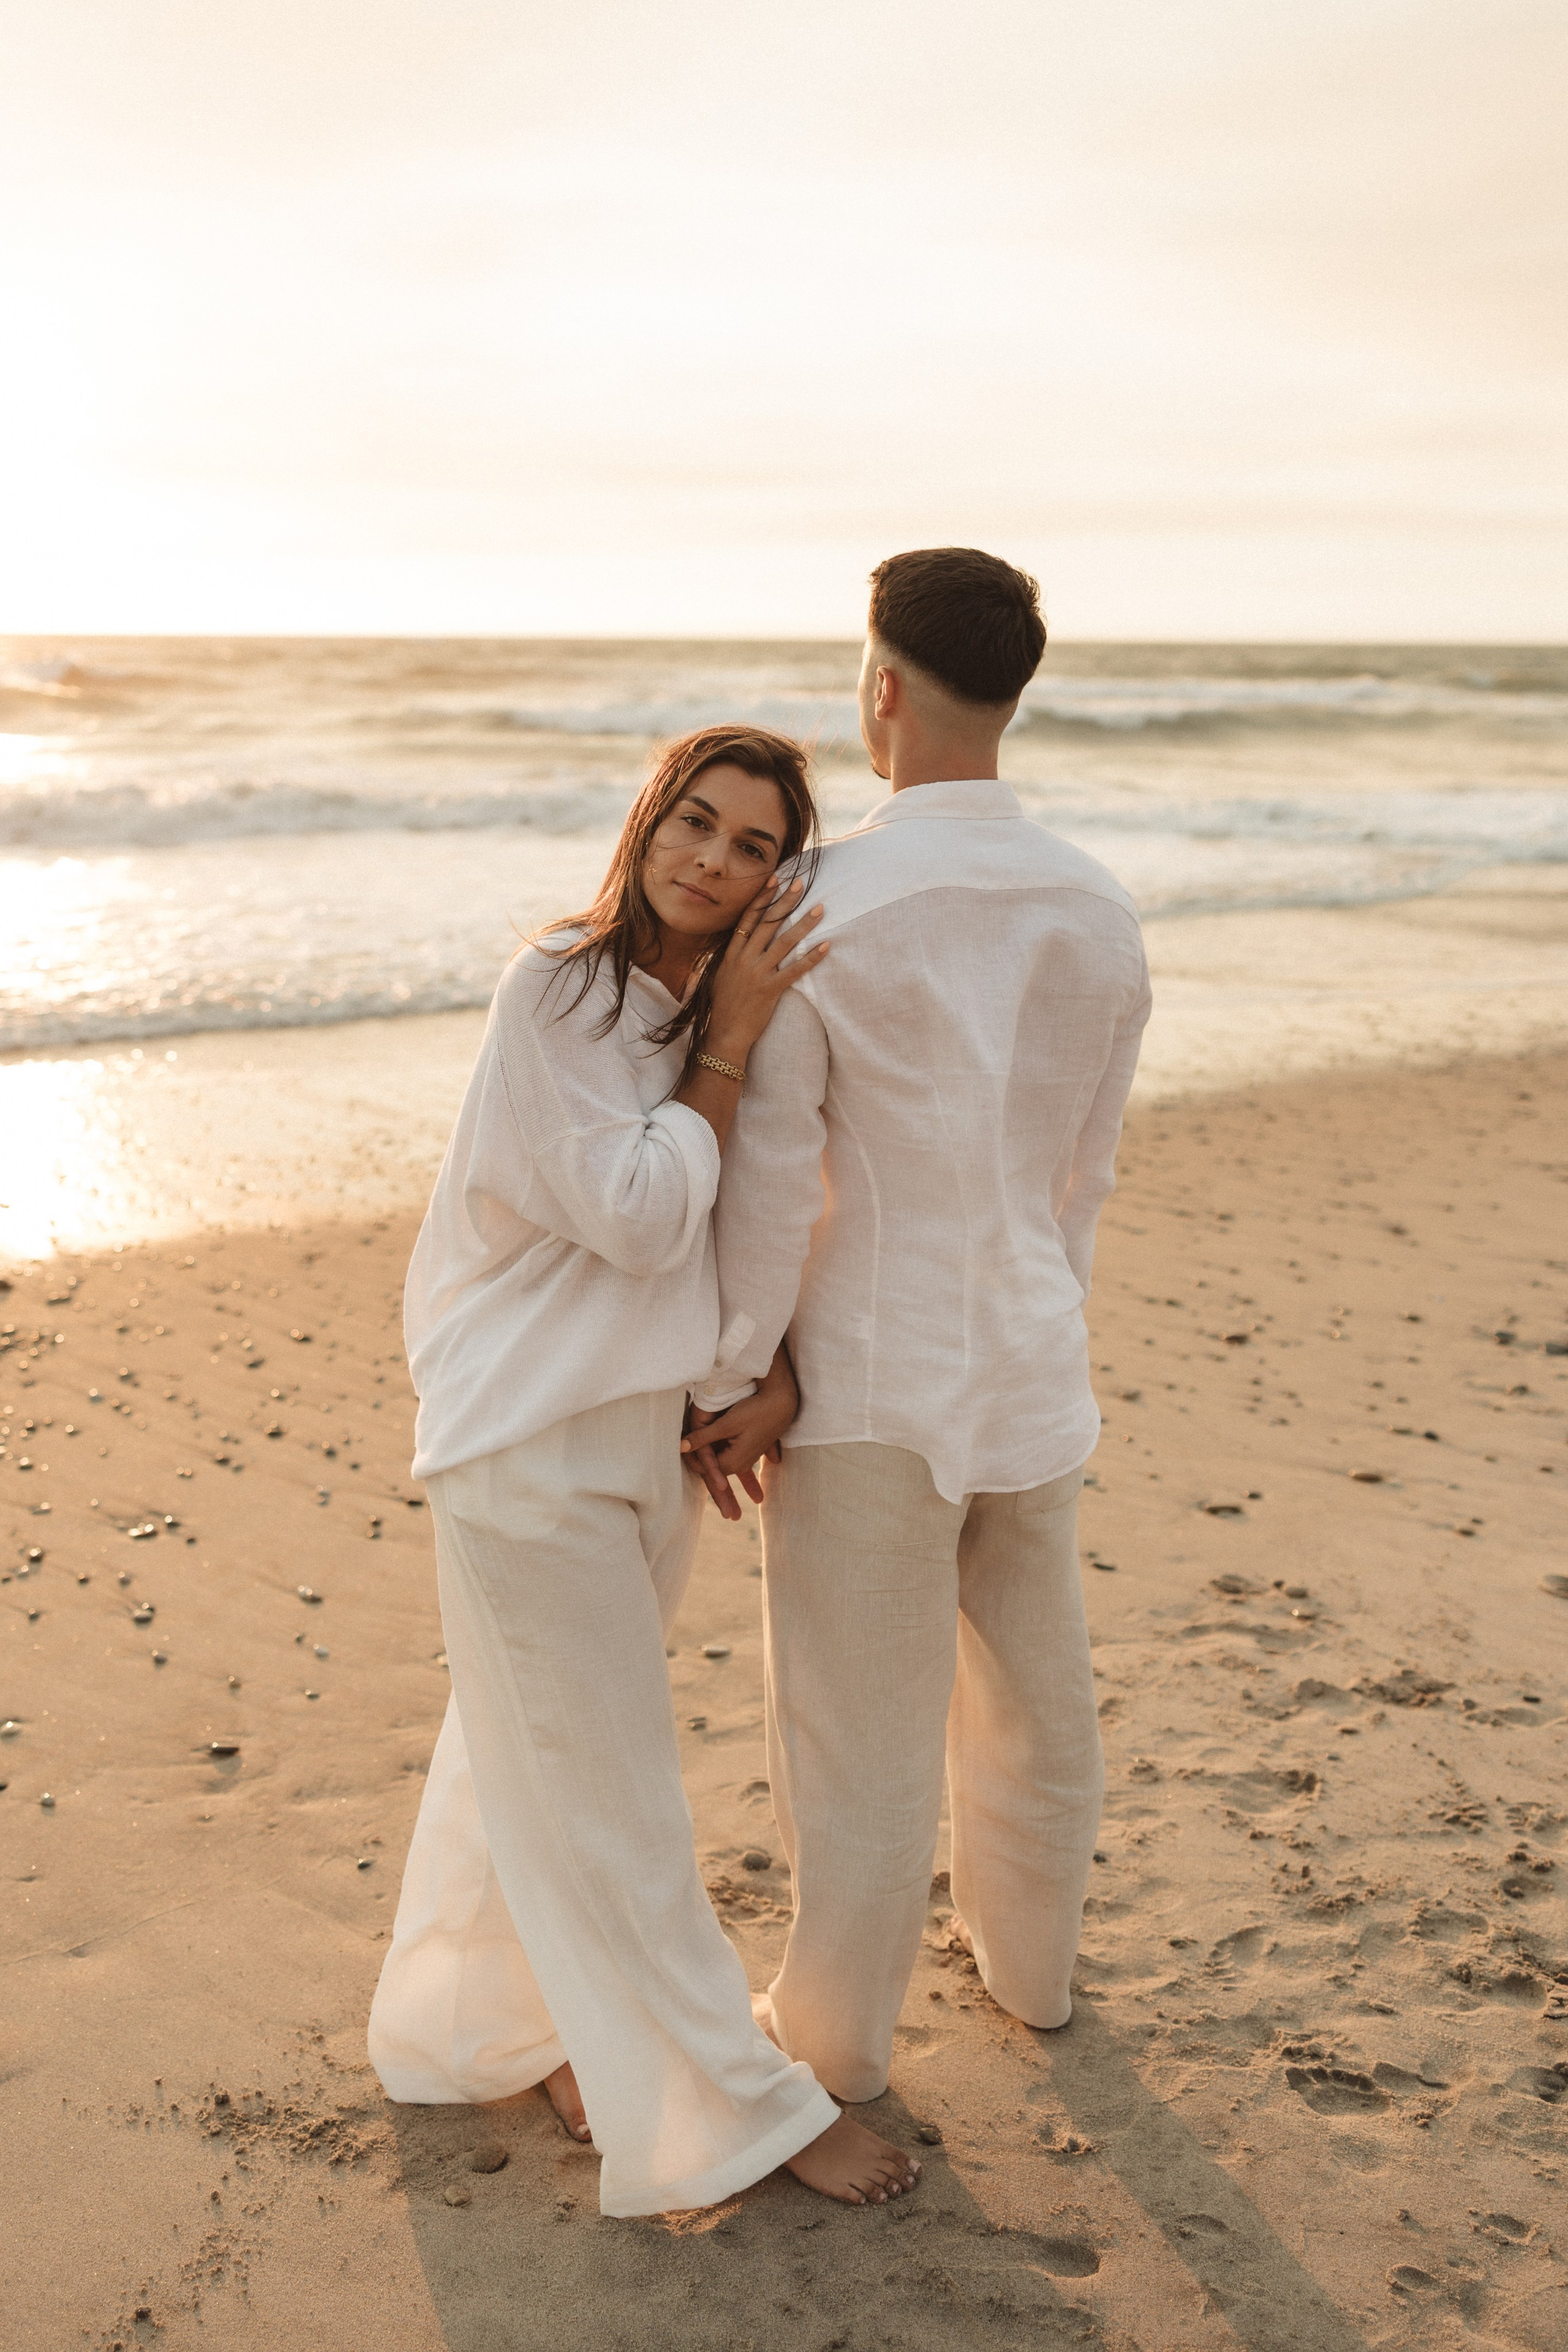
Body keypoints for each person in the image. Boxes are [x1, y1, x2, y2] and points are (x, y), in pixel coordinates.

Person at [368, 723, 921, 2216]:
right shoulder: (560, 985)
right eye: (695, 821)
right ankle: (740, 2113)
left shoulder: (712, 1008)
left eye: (752, 847)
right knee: (611, 1791)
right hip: (525, 1435)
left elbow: (764, 1217)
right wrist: (730, 1042)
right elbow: (631, 1212)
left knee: (514, 1756)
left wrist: (763, 1376)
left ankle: (484, 2027)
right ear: (648, 817)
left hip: (645, 1436)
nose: (713, 860)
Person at [684, 551, 1152, 2104]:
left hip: (871, 1383)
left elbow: (769, 1177)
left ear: (881, 686)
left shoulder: (820, 907)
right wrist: (1040, 1305)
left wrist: (737, 1367)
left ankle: (839, 2041)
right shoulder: (1094, 905)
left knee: (855, 1727)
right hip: (1027, 1353)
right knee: (1036, 1683)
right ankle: (1036, 1976)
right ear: (1010, 689)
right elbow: (1081, 1169)